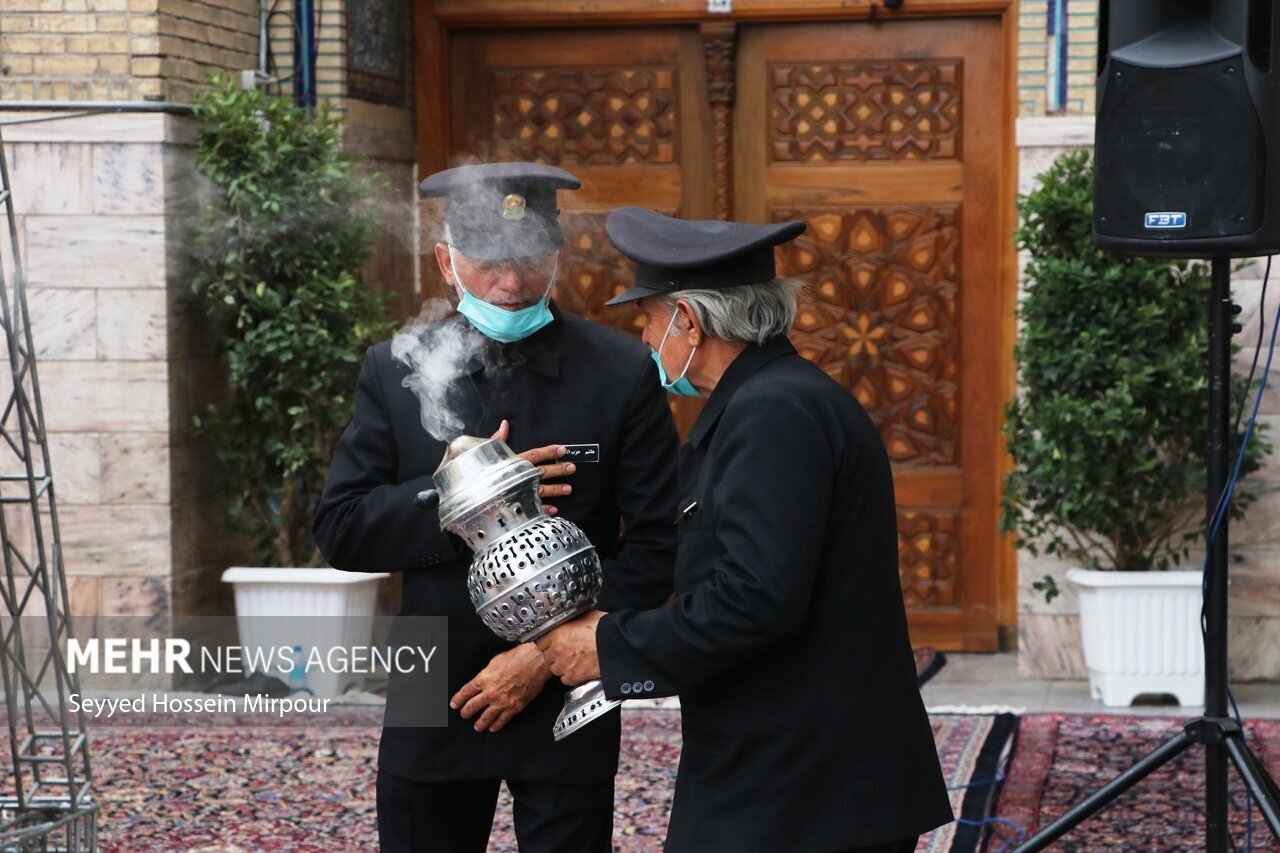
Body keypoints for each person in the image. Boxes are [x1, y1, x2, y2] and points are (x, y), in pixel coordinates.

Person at [536, 207, 954, 852]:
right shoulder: (772, 398)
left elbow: (756, 599)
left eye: (647, 317)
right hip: (800, 776)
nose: (644, 338)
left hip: (807, 788)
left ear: (689, 320)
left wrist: (609, 646)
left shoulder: (772, 413)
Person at [313, 166, 679, 853]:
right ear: (446, 260)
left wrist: (546, 653)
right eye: (488, 261)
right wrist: (470, 499)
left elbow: (659, 543)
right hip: (430, 668)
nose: (511, 282)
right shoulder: (394, 367)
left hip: (566, 672)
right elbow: (342, 528)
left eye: (530, 258)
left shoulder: (620, 371)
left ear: (558, 255)